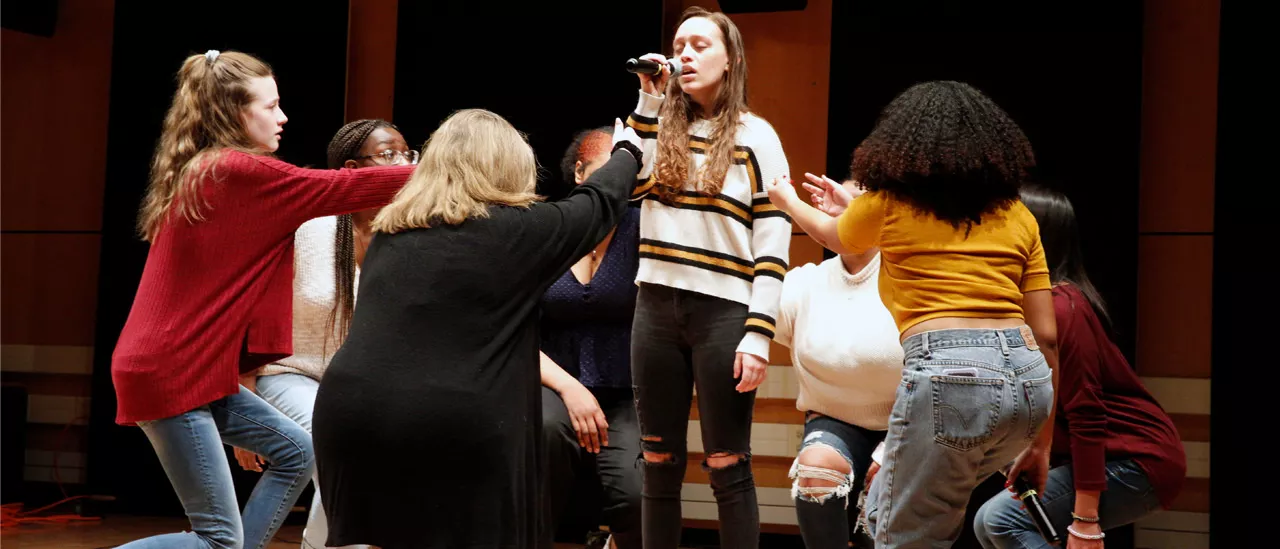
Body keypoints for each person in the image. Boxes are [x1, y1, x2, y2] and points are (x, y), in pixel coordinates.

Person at [110, 50, 415, 549]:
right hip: (172, 369)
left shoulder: (212, 167)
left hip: (191, 366)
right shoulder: (237, 170)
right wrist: (447, 171)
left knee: (298, 452)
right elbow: (344, 186)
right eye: (271, 107)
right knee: (217, 540)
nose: (283, 117)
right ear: (235, 113)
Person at [311, 111, 643, 549]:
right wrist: (629, 151)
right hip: (446, 423)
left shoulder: (391, 230)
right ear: (508, 166)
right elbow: (599, 203)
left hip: (349, 416)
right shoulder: (514, 231)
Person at [765, 80, 1060, 548]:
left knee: (905, 536)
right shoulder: (1017, 214)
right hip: (1028, 386)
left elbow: (833, 235)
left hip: (952, 379)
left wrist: (788, 202)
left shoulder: (890, 204)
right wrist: (1041, 443)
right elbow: (1046, 336)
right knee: (891, 503)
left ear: (902, 145)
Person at [623, 7, 792, 547]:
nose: (686, 54)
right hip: (655, 305)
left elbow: (772, 237)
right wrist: (649, 101)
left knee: (726, 462)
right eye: (680, 44)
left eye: (700, 44)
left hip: (724, 310)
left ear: (732, 59)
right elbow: (628, 188)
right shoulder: (651, 123)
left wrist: (759, 331)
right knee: (657, 460)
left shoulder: (756, 136)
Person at [235, 119, 416, 549]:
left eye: (407, 154)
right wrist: (244, 399)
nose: (404, 164)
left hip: (362, 387)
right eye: (388, 155)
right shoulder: (307, 226)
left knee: (370, 464)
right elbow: (249, 310)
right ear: (352, 169)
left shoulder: (411, 235)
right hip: (287, 373)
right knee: (339, 451)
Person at [972, 185, 1186, 548]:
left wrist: (1085, 520)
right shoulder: (1024, 306)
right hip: (1105, 456)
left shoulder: (1062, 308)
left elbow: (1088, 415)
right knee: (987, 524)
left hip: (1137, 459)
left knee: (1001, 520)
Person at [776, 175, 903, 549]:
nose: (846, 203)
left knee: (886, 491)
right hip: (833, 418)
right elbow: (753, 312)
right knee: (816, 471)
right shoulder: (805, 282)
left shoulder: (910, 273)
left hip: (910, 423)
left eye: (860, 198)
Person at [540, 127, 644, 549]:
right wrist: (569, 388)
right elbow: (513, 327)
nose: (621, 185)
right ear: (580, 173)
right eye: (610, 172)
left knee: (634, 495)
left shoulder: (647, 229)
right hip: (549, 381)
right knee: (544, 435)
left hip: (626, 388)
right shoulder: (547, 228)